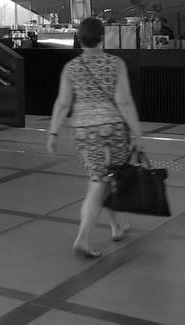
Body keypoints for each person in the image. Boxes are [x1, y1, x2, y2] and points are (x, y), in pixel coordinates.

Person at [46, 17, 142, 258]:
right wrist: (137, 131)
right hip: (113, 128)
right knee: (102, 180)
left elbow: (63, 102)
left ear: (79, 38)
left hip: (83, 130)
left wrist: (53, 132)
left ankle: (116, 225)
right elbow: (123, 100)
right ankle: (83, 236)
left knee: (102, 177)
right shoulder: (115, 63)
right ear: (103, 37)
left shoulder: (71, 68)